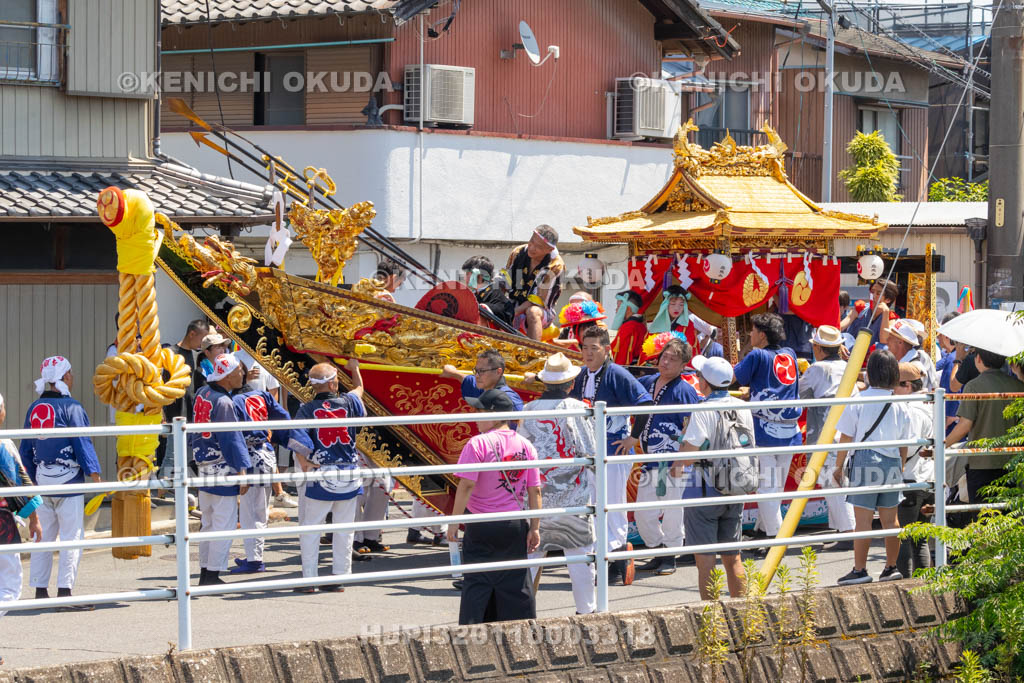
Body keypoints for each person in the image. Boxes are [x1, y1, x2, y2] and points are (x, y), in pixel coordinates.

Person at [448, 389, 541, 624]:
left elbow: (466, 485)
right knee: (514, 582)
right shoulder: (526, 445)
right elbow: (535, 490)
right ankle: (521, 631)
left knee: (478, 581)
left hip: (481, 522)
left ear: (494, 415)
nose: (475, 417)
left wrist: (453, 521)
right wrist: (535, 527)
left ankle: (474, 631)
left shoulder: (477, 443)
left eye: (479, 412)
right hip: (514, 523)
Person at [570, 325, 654, 585]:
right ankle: (601, 558)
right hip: (589, 452)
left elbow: (645, 404)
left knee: (612, 506)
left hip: (613, 450)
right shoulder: (582, 374)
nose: (588, 353)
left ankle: (616, 561)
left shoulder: (617, 373)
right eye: (584, 347)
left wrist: (634, 438)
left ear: (606, 349)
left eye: (593, 348)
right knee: (594, 507)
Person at [518, 352, 597, 614]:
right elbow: (590, 450)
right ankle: (586, 611)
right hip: (573, 494)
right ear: (570, 384)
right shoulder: (577, 408)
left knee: (531, 557)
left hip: (536, 495)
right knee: (580, 558)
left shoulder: (528, 410)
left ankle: (520, 613)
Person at [19, 356, 102, 605]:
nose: (72, 378)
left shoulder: (34, 407)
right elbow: (82, 443)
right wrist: (95, 475)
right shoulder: (72, 407)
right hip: (69, 483)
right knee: (71, 537)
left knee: (42, 537)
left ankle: (40, 590)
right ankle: (65, 593)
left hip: (41, 480)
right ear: (65, 376)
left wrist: (29, 481)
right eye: (71, 374)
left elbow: (26, 448)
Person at [671, 355, 750, 599]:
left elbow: (689, 455)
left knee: (705, 562)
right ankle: (744, 613)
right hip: (736, 485)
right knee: (733, 558)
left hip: (704, 490)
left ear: (704, 382)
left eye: (699, 375)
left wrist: (679, 455)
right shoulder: (742, 406)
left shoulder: (703, 409)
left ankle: (712, 617)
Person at [833, 350, 914, 585]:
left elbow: (846, 437)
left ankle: (860, 570)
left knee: (863, 521)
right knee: (891, 520)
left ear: (870, 372)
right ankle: (890, 567)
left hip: (865, 459)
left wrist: (838, 466)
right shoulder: (900, 404)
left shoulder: (858, 400)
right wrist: (901, 465)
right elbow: (904, 444)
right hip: (892, 461)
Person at [229, 362, 313, 574]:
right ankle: (253, 556)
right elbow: (284, 419)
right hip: (266, 455)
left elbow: (233, 437)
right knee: (257, 510)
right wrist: (298, 446)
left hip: (249, 458)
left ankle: (255, 560)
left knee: (251, 512)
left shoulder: (233, 401)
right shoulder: (263, 395)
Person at [293, 360, 366, 593]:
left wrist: (303, 462)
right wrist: (354, 369)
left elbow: (297, 439)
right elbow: (359, 389)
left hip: (321, 472)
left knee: (311, 528)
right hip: (349, 472)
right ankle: (339, 577)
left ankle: (309, 580)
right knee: (344, 528)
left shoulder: (306, 410)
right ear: (334, 383)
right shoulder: (350, 402)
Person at [634, 338, 700, 576]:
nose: (666, 362)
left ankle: (670, 554)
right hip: (650, 459)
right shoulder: (647, 382)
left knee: (673, 511)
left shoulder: (685, 391)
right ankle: (657, 549)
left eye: (673, 359)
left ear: (683, 365)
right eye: (664, 356)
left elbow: (691, 428)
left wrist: (681, 460)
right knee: (643, 512)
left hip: (673, 461)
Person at [734, 313, 801, 544]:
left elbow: (735, 377)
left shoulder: (757, 355)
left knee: (766, 489)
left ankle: (776, 539)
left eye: (753, 331)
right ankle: (763, 529)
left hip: (764, 430)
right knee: (775, 487)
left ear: (762, 335)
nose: (750, 334)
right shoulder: (790, 353)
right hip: (790, 430)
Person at [190, 353, 251, 586]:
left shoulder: (202, 392)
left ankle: (205, 572)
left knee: (208, 522)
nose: (242, 374)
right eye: (239, 371)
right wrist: (242, 470)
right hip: (222, 467)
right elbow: (232, 439)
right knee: (223, 523)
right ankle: (213, 574)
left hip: (203, 464)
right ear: (227, 376)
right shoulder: (224, 402)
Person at [945, 347, 1024, 507]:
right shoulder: (1018, 386)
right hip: (1012, 462)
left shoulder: (973, 387)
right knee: (1008, 513)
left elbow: (965, 425)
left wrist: (942, 445)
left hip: (981, 462)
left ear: (979, 359)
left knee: (982, 514)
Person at [800, 325, 855, 548]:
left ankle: (848, 532)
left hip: (827, 430)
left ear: (818, 348)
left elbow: (800, 393)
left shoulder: (817, 369)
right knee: (838, 480)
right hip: (848, 430)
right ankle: (841, 528)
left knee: (832, 480)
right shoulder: (847, 366)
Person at [1, 391, 43, 663]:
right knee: (10, 584)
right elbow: (20, 481)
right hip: (1, 523)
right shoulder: (3, 443)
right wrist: (34, 518)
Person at [234, 349, 298, 509]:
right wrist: (245, 378)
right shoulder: (234, 357)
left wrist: (269, 422)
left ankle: (279, 493)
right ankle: (240, 498)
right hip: (239, 415)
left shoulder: (267, 357)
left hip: (260, 417)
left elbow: (273, 391)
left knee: (267, 456)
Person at [893, 363, 934, 579]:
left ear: (907, 385)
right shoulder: (930, 404)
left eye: (894, 386)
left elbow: (907, 448)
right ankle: (924, 586)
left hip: (910, 478)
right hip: (929, 479)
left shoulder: (911, 411)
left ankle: (905, 586)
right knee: (920, 540)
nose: (891, 391)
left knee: (904, 538)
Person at [505, 225, 564, 340]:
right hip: (513, 301)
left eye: (539, 247)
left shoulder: (555, 265)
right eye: (531, 241)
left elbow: (539, 300)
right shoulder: (518, 252)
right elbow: (505, 278)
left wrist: (513, 312)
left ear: (549, 249)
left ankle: (533, 349)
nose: (532, 248)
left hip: (542, 310)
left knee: (533, 312)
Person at [842, 277, 898, 346]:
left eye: (878, 293)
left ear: (888, 300)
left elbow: (884, 340)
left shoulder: (891, 318)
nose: (873, 296)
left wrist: (885, 312)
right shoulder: (860, 307)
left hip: (873, 352)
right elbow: (842, 326)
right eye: (872, 292)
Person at [887, 319, 938, 392]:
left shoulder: (915, 368)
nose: (887, 340)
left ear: (900, 342)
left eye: (890, 338)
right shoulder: (911, 362)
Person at [461, 255, 514, 326]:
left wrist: (482, 308)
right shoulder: (473, 294)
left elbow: (505, 313)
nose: (465, 278)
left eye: (468, 274)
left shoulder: (496, 293)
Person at [935, 313, 961, 431]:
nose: (938, 337)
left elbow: (951, 391)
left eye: (940, 334)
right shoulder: (953, 356)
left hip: (951, 424)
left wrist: (946, 420)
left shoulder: (952, 359)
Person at [609, 290, 647, 366]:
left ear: (628, 309)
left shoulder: (629, 326)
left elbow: (621, 354)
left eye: (619, 307)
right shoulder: (640, 325)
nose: (616, 310)